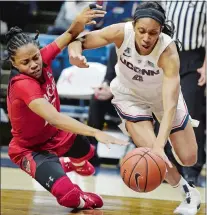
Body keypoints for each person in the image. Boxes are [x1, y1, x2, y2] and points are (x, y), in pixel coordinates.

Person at [68, 2, 201, 214]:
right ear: (134, 25)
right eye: (142, 31)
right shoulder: (121, 32)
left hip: (162, 99)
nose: (147, 38)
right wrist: (74, 52)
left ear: (160, 31)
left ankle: (177, 165)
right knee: (153, 154)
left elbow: (169, 107)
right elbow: (79, 40)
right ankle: (187, 193)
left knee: (188, 157)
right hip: (130, 96)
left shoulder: (168, 52)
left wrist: (161, 144)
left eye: (153, 33)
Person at [6, 4, 128, 210]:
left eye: (35, 57)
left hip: (55, 135)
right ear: (14, 63)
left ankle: (72, 164)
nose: (34, 64)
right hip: (31, 149)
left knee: (87, 152)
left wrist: (79, 21)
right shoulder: (23, 85)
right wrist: (96, 131)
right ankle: (77, 191)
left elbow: (70, 34)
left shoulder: (42, 59)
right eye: (26, 62)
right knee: (70, 199)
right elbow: (54, 117)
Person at [163, 1, 206, 187]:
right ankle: (170, 167)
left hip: (193, 58)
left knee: (190, 113)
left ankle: (192, 169)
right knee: (164, 111)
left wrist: (205, 66)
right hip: (168, 56)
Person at [88, 45, 119, 166]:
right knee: (97, 99)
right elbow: (109, 76)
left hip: (139, 99)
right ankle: (91, 150)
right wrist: (105, 86)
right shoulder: (115, 49)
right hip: (118, 99)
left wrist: (114, 89)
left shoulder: (145, 50)